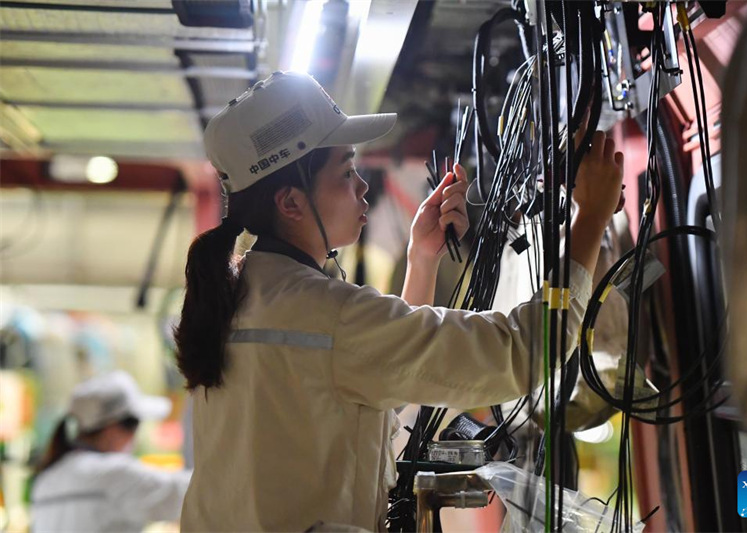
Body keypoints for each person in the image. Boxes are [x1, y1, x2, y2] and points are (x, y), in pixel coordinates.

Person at [175, 71, 624, 531]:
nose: (362, 187)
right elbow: (520, 353)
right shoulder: (327, 313)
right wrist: (590, 218)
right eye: (346, 173)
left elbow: (368, 402)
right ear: (291, 203)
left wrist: (422, 262)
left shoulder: (241, 297)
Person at [31, 371, 191, 532]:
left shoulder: (45, 481)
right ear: (112, 428)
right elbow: (191, 492)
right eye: (134, 425)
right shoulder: (114, 474)